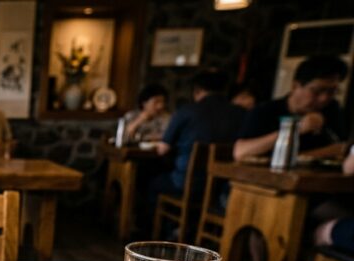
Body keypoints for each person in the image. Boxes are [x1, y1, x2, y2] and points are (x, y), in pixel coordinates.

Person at [144, 71, 246, 236]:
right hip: (223, 188)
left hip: (187, 184)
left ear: (197, 91)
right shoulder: (241, 113)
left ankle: (160, 233)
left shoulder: (187, 111)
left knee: (152, 183)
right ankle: (189, 228)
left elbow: (163, 149)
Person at [233, 55, 348, 160]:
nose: (324, 98)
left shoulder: (332, 109)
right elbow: (241, 151)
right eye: (317, 91)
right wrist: (296, 129)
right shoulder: (265, 110)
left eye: (332, 91)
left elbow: (341, 148)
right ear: (295, 86)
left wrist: (299, 157)